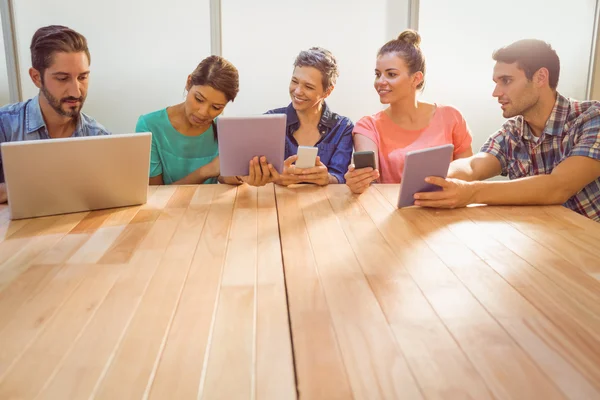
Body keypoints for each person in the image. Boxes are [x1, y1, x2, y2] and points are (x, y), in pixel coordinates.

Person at [414, 39, 600, 222]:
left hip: (589, 245)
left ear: (540, 77)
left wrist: (471, 192)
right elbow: (473, 166)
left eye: (506, 81)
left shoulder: (591, 118)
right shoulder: (513, 132)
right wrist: (436, 177)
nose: (496, 92)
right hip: (544, 241)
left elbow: (559, 186)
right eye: (496, 82)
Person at [344, 29, 473, 194]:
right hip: (391, 213)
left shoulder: (451, 117)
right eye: (377, 74)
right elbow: (369, 181)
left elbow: (469, 175)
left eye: (391, 74)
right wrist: (358, 181)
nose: (380, 82)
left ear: (416, 78)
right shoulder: (368, 126)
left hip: (445, 211)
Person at [0, 25, 110, 203]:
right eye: (62, 78)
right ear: (36, 77)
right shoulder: (4, 126)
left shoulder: (99, 136)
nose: (76, 91)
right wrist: (16, 189)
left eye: (82, 77)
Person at [136, 55, 241, 185]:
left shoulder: (224, 130)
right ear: (188, 82)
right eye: (199, 99)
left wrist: (236, 176)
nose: (203, 113)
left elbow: (222, 176)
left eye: (216, 107)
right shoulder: (149, 126)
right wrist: (205, 171)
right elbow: (154, 195)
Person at [257, 47, 353, 186]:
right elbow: (254, 172)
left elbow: (340, 176)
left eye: (308, 86)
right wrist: (274, 178)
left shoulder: (342, 127)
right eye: (295, 81)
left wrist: (327, 178)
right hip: (278, 203)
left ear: (327, 92)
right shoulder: (270, 121)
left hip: (323, 205)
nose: (297, 91)